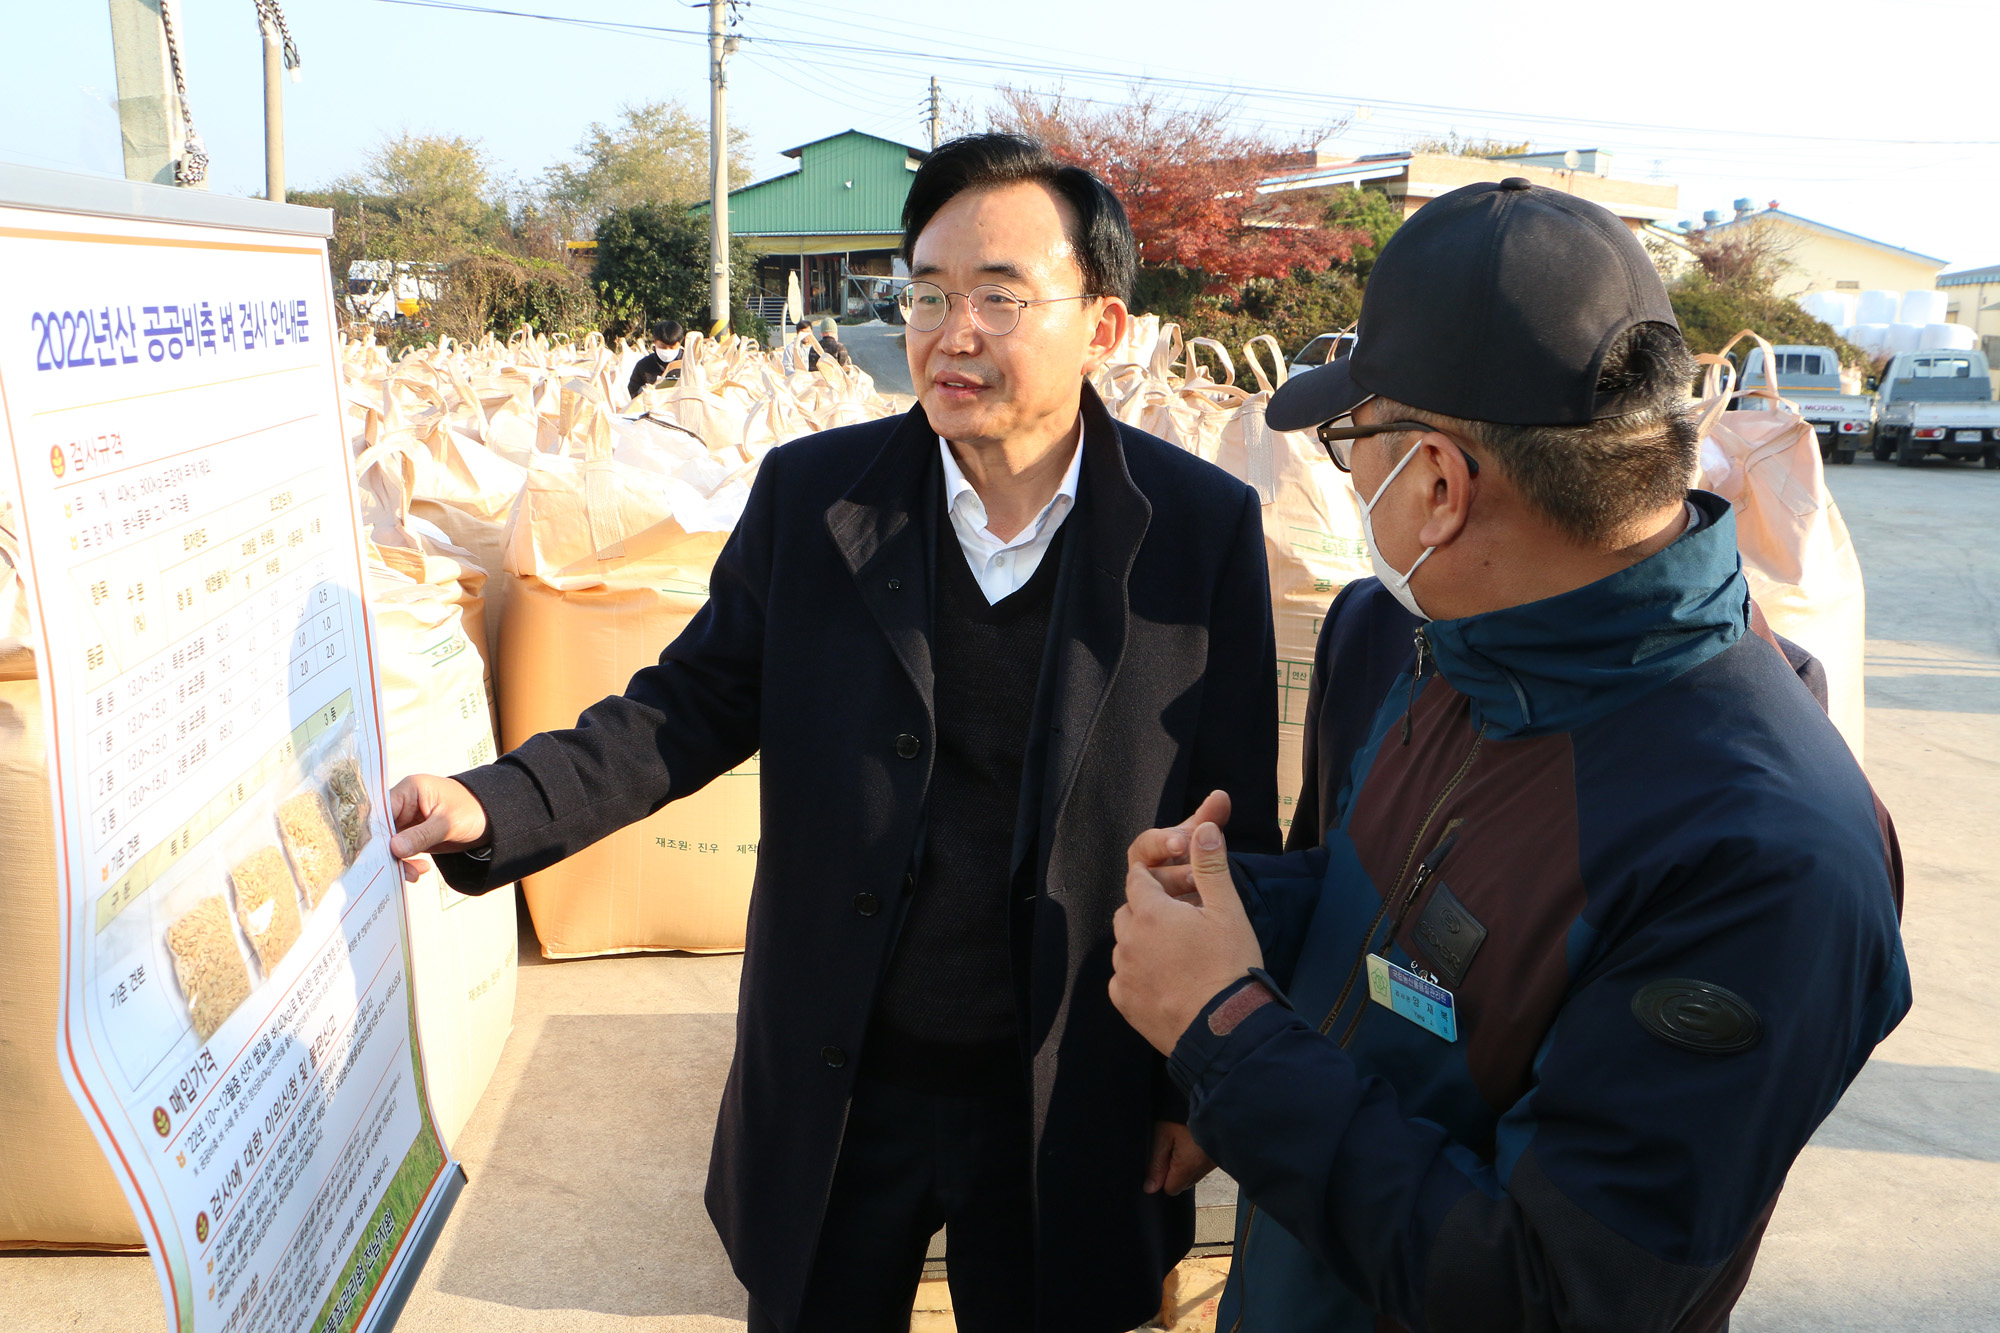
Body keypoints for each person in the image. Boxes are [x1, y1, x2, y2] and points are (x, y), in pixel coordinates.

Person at [388, 132, 1279, 1333]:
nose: (949, 330)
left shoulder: (1199, 532)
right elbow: (682, 706)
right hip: (845, 1069)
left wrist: (1199, 1084)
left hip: (1075, 1082)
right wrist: (499, 802)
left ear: (1103, 327)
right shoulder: (819, 499)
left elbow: (1234, 827)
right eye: (925, 292)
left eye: (998, 298)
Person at [1106, 178, 1911, 1333]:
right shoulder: (1417, 637)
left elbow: (1548, 1289)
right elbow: (1422, 931)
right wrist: (1249, 906)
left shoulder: (1765, 861)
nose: (1342, 476)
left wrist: (1223, 1029)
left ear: (1435, 483)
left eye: (1350, 440)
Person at [628, 318, 684, 397]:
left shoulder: (689, 364)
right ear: (654, 341)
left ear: (680, 343)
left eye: (672, 347)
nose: (667, 350)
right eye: (663, 346)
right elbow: (632, 393)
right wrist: (643, 392)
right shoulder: (643, 366)